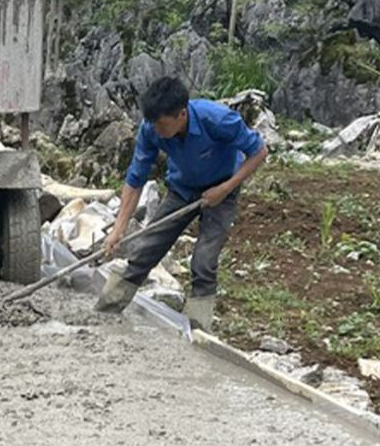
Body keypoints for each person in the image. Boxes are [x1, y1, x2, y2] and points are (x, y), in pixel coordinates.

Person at [96, 76, 268, 331]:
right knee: (146, 250)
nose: (157, 130)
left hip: (221, 189)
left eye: (162, 124)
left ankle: (198, 332)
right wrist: (118, 229)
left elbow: (259, 152)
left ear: (182, 114)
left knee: (203, 261)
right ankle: (105, 312)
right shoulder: (151, 128)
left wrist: (225, 189)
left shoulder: (218, 119)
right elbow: (135, 179)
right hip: (182, 189)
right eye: (153, 123)